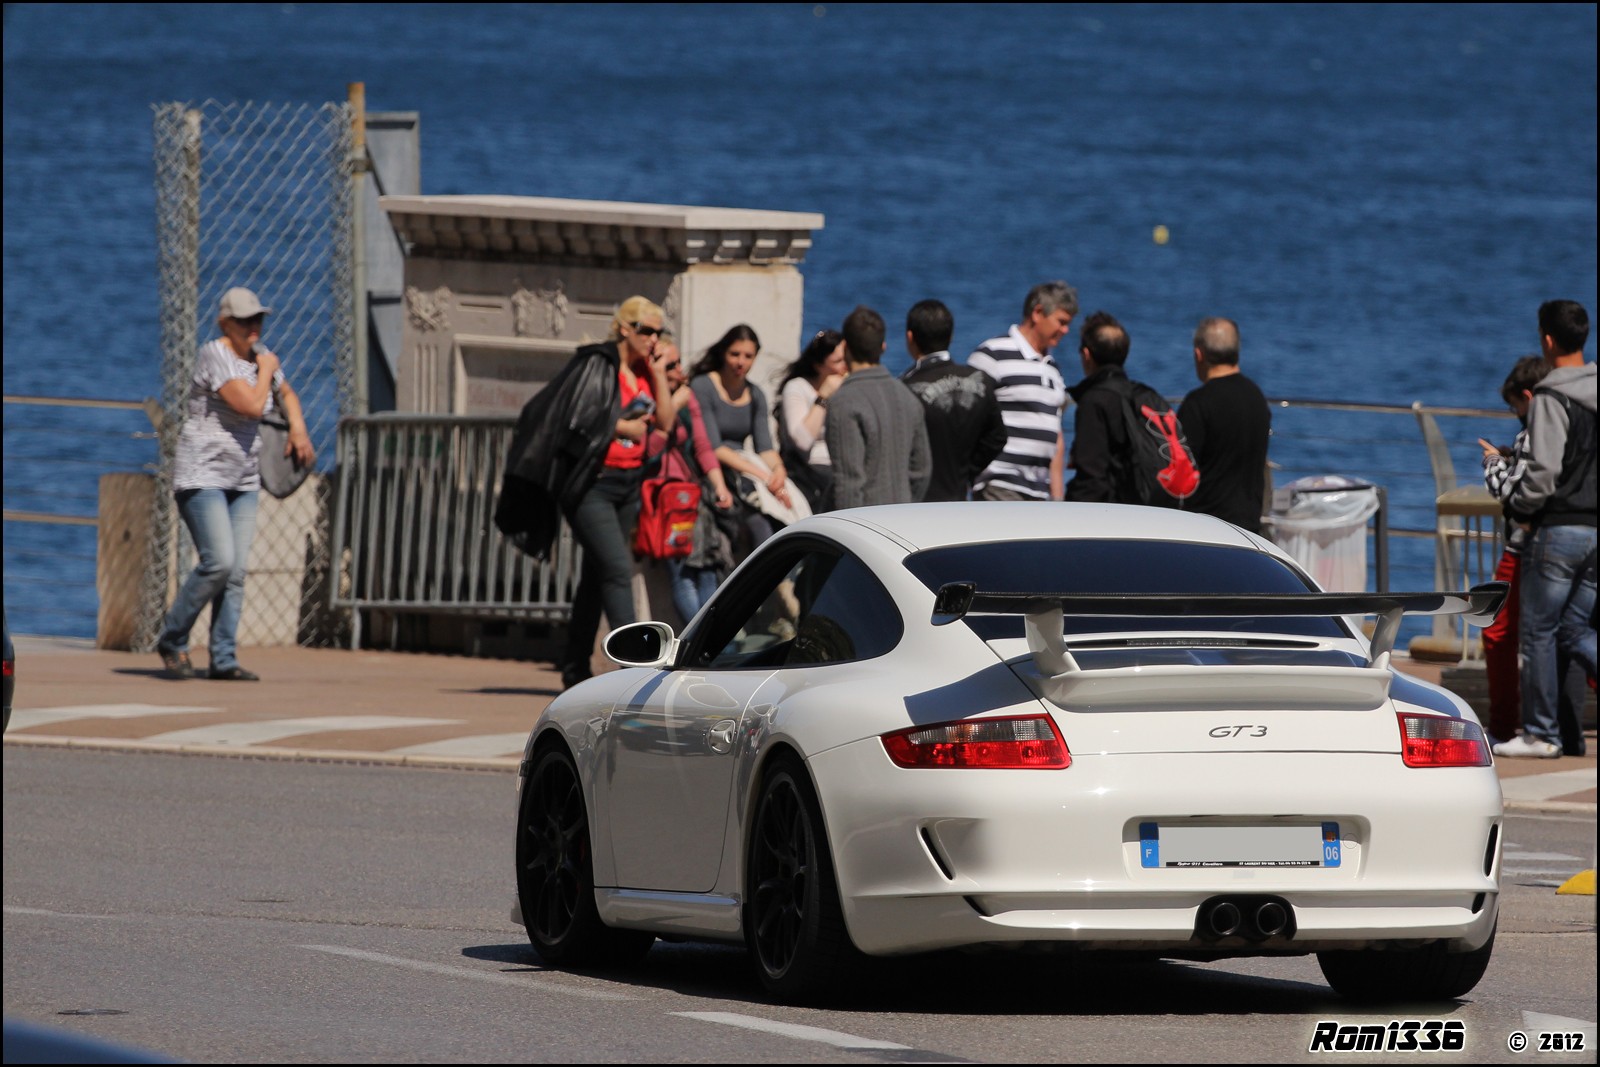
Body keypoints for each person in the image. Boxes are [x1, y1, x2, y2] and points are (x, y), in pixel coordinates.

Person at [157, 287, 314, 681]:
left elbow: (286, 393)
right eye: (245, 321)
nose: (254, 328)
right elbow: (250, 405)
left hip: (243, 477)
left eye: (258, 319)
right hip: (202, 474)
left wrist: (298, 428)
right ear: (226, 322)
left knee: (237, 570)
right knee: (219, 561)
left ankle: (223, 658)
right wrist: (265, 371)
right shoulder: (217, 354)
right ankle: (173, 638)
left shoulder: (262, 358)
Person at [556, 296, 679, 691]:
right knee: (617, 570)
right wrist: (620, 428)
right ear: (624, 328)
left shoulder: (646, 369)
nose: (652, 339)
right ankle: (636, 670)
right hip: (592, 483)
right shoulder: (599, 364)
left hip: (627, 484)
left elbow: (664, 423)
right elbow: (575, 415)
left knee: (597, 576)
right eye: (646, 331)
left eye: (658, 333)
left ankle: (574, 665)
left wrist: (659, 373)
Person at [1494, 300, 1597, 758]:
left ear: (1548, 340)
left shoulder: (1552, 397)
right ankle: (1548, 732)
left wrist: (1519, 505)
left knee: (1537, 633)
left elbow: (1542, 472)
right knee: (1574, 632)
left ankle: (1541, 734)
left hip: (1557, 530)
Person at [646, 338, 734, 624]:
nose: (678, 370)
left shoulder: (687, 396)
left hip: (690, 494)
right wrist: (671, 405)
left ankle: (711, 642)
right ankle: (700, 641)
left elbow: (702, 446)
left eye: (678, 362)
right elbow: (649, 448)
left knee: (708, 568)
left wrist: (719, 485)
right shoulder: (645, 395)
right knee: (683, 575)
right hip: (662, 496)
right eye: (670, 365)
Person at [690, 324, 793, 556]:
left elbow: (764, 446)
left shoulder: (755, 394)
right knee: (759, 527)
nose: (740, 362)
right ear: (723, 353)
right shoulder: (703, 386)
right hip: (712, 470)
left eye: (748, 356)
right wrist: (764, 476)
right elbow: (714, 447)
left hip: (745, 471)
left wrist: (778, 472)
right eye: (734, 354)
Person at [967, 281, 1075, 500]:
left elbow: (1057, 438)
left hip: (1039, 493)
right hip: (999, 486)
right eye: (1061, 322)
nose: (1066, 330)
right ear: (1037, 313)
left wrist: (1058, 501)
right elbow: (967, 418)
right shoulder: (992, 354)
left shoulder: (1052, 368)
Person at [824, 305, 931, 508]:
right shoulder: (907, 397)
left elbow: (848, 485)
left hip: (861, 529)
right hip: (901, 522)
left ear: (845, 347)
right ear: (883, 347)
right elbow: (922, 472)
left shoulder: (844, 402)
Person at [901, 298, 1006, 501]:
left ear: (910, 337)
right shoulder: (981, 382)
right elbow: (997, 438)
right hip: (958, 498)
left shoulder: (907, 388)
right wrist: (967, 472)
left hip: (917, 502)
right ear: (951, 336)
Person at [1177, 317, 1271, 532]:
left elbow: (1180, 469)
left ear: (1198, 354)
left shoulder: (1198, 403)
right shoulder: (1256, 397)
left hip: (1206, 527)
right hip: (1248, 529)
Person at [1063, 311, 1141, 503]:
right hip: (1145, 507)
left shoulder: (1094, 401)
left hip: (1111, 511)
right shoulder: (1145, 396)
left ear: (1086, 354)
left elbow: (1091, 477)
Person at [777, 329, 847, 512]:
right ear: (818, 365)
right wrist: (823, 397)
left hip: (840, 466)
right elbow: (802, 440)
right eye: (838, 361)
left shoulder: (846, 388)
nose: (844, 367)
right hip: (809, 470)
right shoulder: (797, 388)